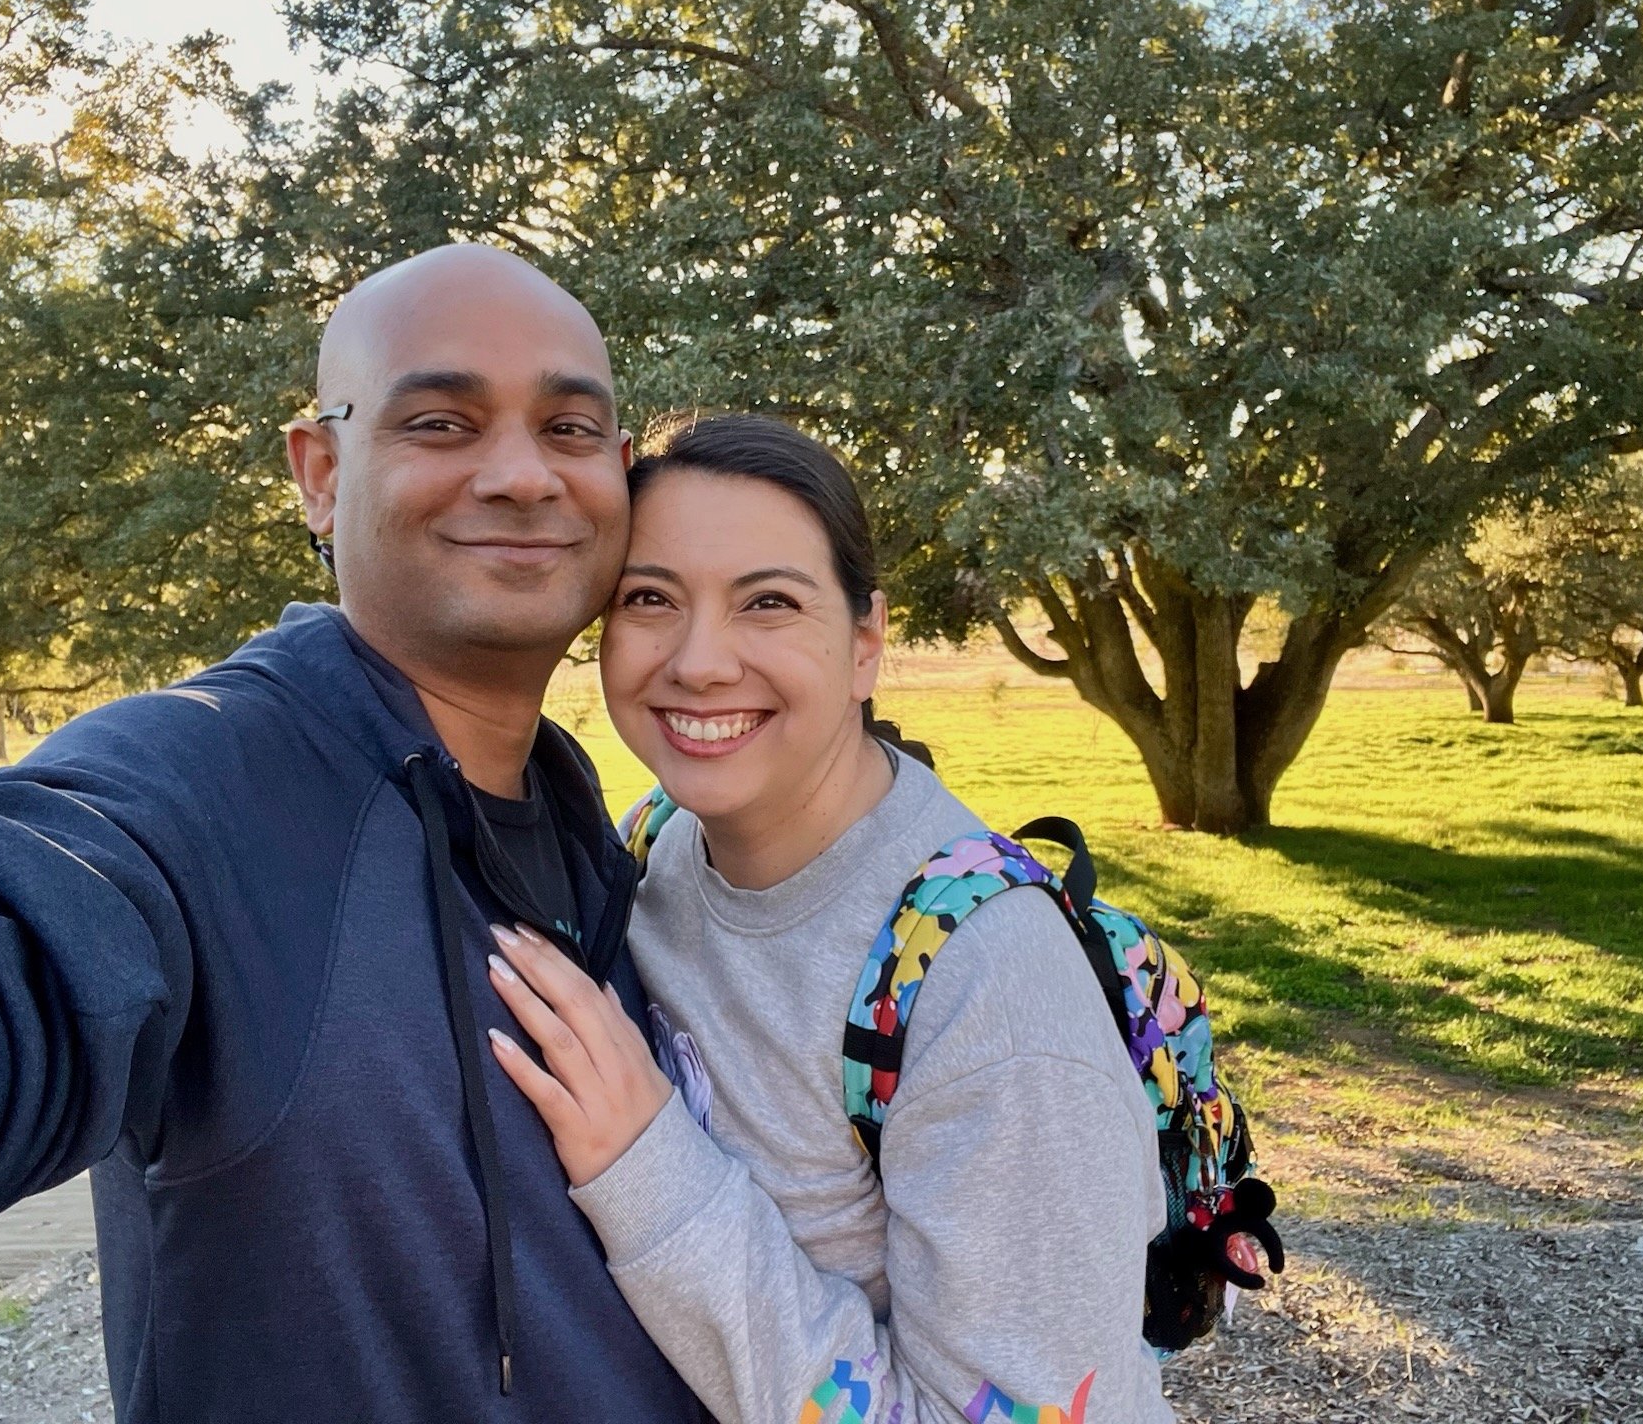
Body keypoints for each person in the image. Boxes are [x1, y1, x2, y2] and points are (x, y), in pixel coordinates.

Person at [0, 244, 705, 1423]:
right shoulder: (202, 786)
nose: (520, 475)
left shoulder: (592, 829)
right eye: (442, 423)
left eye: (569, 427)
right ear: (318, 472)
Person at [480, 415, 1175, 1423]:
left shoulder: (989, 999)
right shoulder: (652, 840)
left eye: (767, 602)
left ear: (863, 645)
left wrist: (646, 1164)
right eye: (648, 598)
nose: (699, 662)